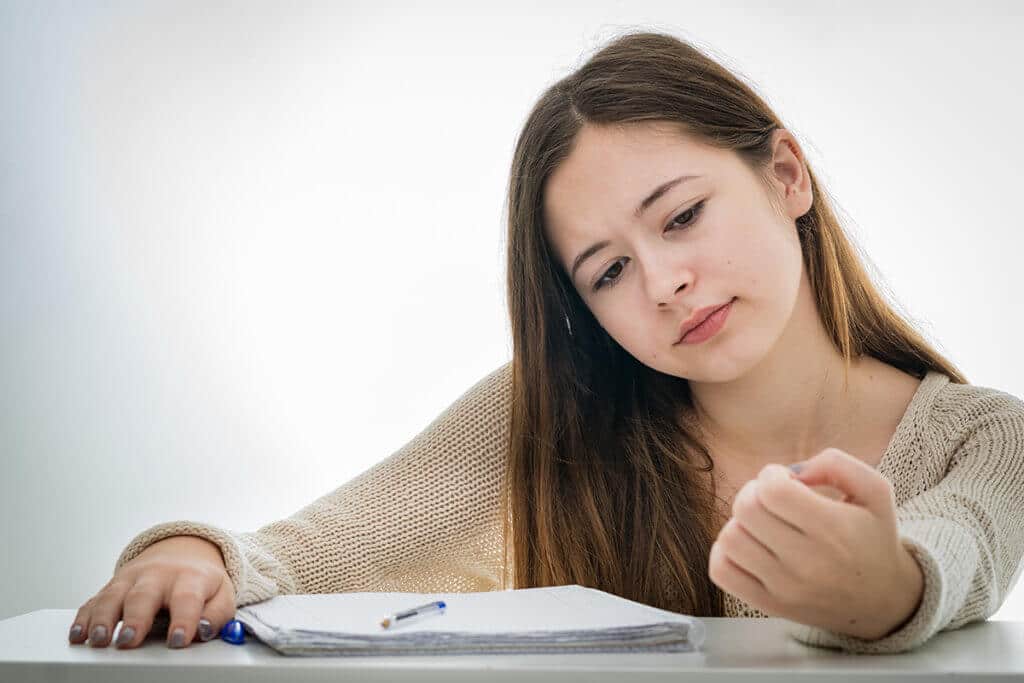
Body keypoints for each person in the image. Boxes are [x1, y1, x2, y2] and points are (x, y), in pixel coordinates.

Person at [68, 30, 1024, 655]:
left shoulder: (983, 435)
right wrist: (194, 551)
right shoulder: (546, 416)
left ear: (785, 176)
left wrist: (887, 584)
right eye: (607, 271)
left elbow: (962, 544)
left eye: (682, 214)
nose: (663, 282)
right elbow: (306, 549)